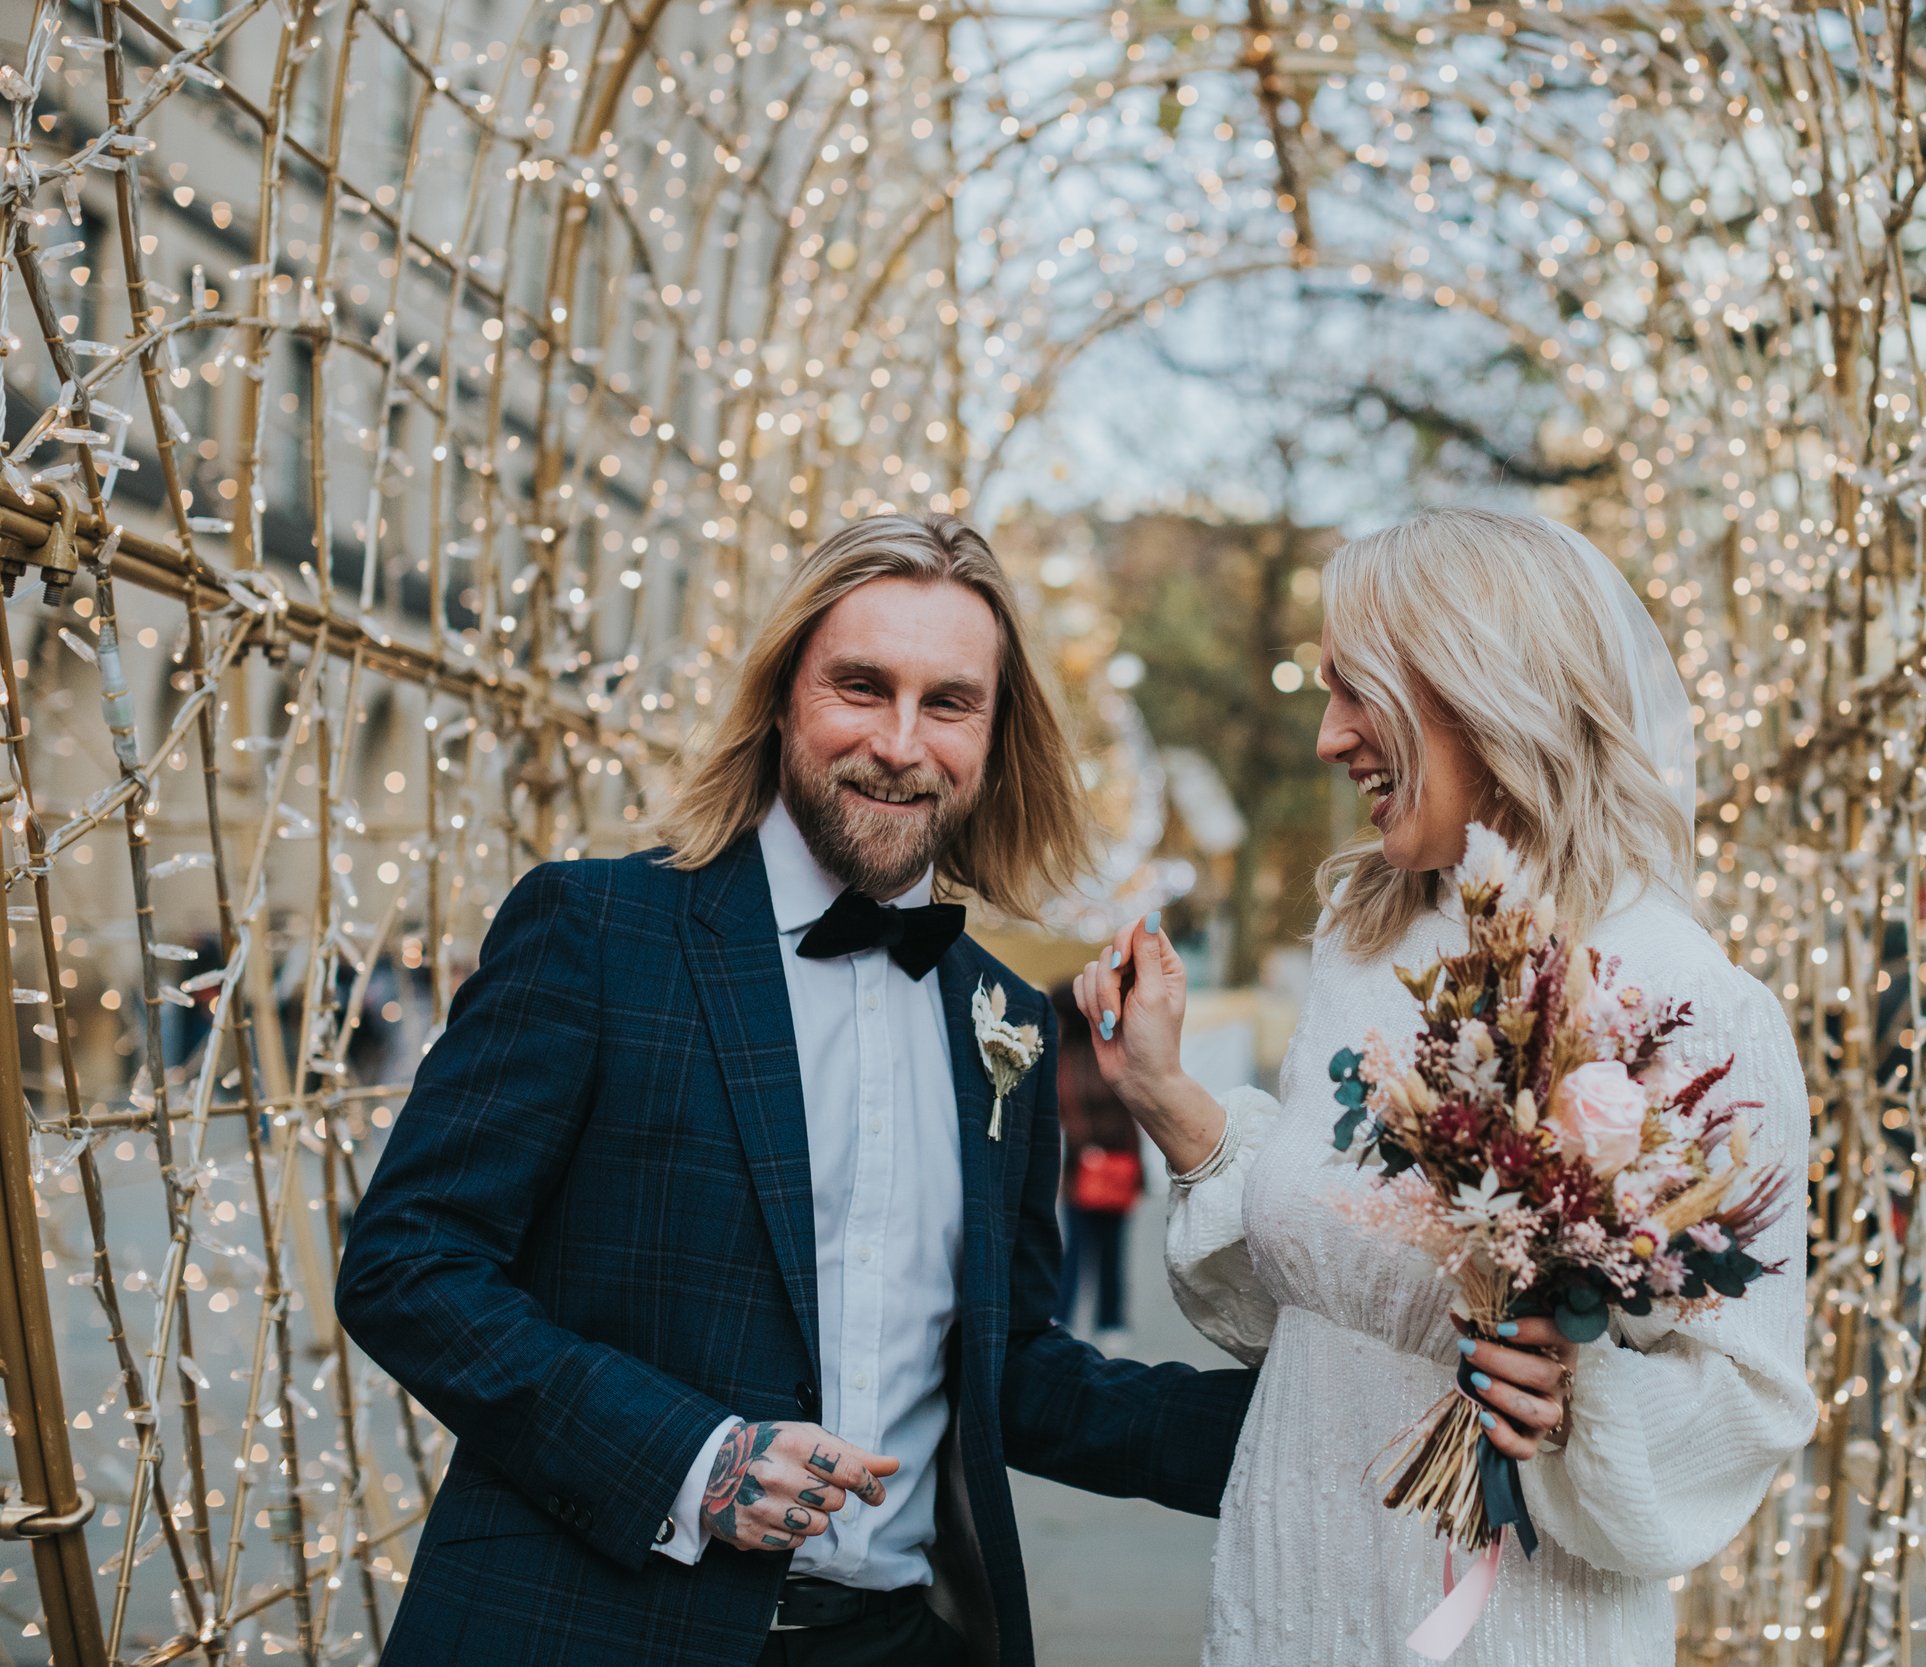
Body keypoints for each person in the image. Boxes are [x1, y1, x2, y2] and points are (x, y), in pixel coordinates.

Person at [336, 514, 1256, 1667]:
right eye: (861, 688)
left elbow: (1007, 1365)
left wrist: (1307, 1432)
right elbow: (407, 1264)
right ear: (782, 699)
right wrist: (691, 1457)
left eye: (949, 702)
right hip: (584, 1628)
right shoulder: (598, 929)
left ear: (995, 732)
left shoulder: (1006, 1020)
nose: (902, 743)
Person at [1073, 509, 1815, 1665]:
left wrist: (1575, 1399)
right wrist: (1170, 1101)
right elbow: (1314, 1305)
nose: (1328, 737)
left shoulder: (1689, 1001)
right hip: (1290, 1582)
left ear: (1482, 689)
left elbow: (1750, 1403)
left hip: (1508, 1616)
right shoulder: (1359, 944)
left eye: (1357, 690)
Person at [1049, 981, 1143, 1345]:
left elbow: (1127, 1111)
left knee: (1111, 1249)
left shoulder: (1096, 1052)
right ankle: (1068, 1317)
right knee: (1079, 1247)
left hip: (1113, 1165)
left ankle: (1109, 1321)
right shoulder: (1063, 1057)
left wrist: (1137, 1171)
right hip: (1082, 1169)